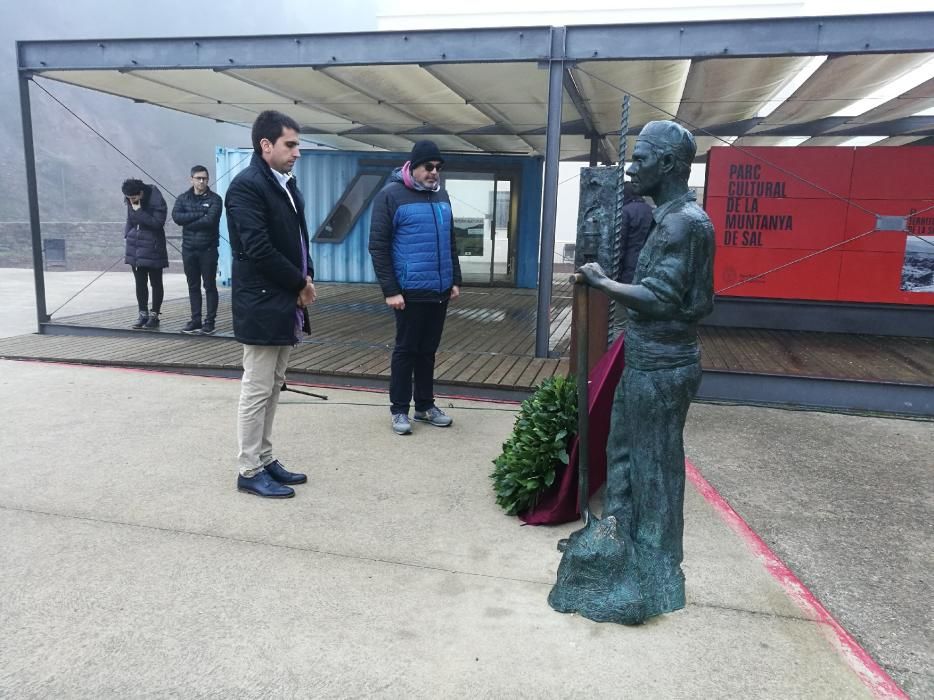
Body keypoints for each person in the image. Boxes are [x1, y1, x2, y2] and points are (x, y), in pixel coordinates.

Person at [574, 120, 715, 622]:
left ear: (671, 165)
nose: (633, 167)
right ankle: (622, 547)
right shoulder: (668, 217)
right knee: (624, 453)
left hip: (662, 365)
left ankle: (655, 569)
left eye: (644, 157)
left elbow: (658, 298)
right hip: (645, 359)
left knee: (655, 470)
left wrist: (603, 282)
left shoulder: (684, 224)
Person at [225, 110, 316, 498]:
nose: (297, 152)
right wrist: (299, 282)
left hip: (283, 299)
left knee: (275, 384)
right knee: (258, 387)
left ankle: (264, 457)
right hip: (262, 301)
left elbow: (298, 239)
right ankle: (249, 469)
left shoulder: (285, 184)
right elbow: (258, 249)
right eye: (290, 145)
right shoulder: (246, 187)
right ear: (266, 145)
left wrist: (304, 277)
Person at [368, 140, 462, 436]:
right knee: (406, 350)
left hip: (439, 289)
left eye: (438, 168)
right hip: (409, 291)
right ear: (413, 167)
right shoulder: (390, 196)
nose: (434, 172)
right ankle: (399, 410)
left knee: (428, 351)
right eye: (428, 167)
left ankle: (424, 406)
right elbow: (378, 247)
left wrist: (455, 279)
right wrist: (390, 290)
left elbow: (450, 240)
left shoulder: (441, 195)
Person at [172, 165, 223, 334]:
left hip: (208, 249)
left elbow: (210, 221)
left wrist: (188, 221)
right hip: (188, 249)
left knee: (209, 285)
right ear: (192, 179)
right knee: (192, 286)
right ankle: (196, 320)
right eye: (199, 178)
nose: (202, 181)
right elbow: (176, 217)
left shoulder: (216, 199)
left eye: (205, 178)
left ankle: (210, 322)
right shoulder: (183, 198)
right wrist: (201, 213)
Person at [122, 178, 168, 330]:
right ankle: (143, 314)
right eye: (129, 198)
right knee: (140, 283)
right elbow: (130, 219)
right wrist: (127, 235)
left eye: (134, 198)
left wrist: (139, 211)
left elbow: (157, 223)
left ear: (141, 193)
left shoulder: (156, 199)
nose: (131, 201)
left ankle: (154, 315)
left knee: (156, 282)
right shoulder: (130, 199)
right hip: (135, 247)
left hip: (153, 246)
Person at [617, 180, 654, 284]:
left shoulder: (625, 212)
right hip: (649, 267)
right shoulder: (653, 211)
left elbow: (620, 246)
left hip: (629, 268)